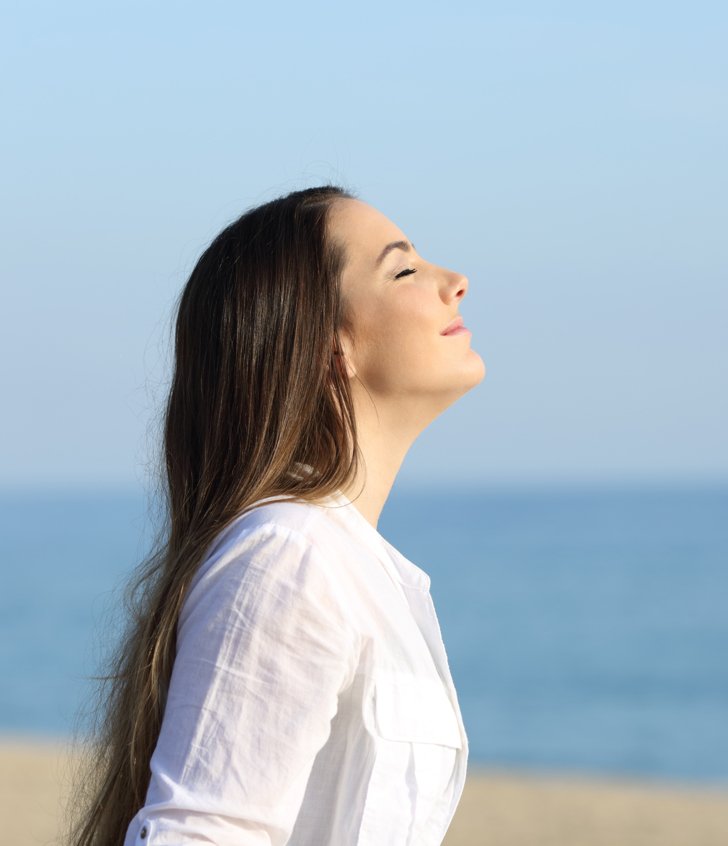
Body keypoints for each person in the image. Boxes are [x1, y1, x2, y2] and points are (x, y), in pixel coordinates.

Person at [68, 185, 486, 846]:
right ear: (329, 346)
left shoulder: (346, 563)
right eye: (403, 269)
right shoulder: (291, 555)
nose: (455, 282)